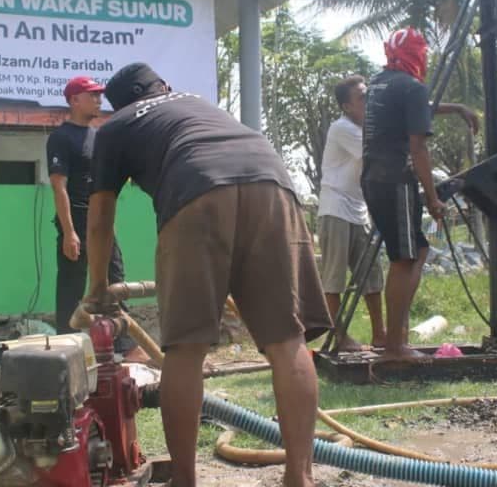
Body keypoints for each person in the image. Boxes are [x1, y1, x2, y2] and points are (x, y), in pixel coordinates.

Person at [82, 63, 332, 487]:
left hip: (196, 193)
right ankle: (299, 478)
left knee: (185, 347)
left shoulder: (115, 126)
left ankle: (184, 480)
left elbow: (100, 216)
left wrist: (97, 287)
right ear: (164, 87)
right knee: (286, 340)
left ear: (120, 103)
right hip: (272, 185)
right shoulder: (198, 104)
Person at [361, 27, 480, 360]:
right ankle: (395, 347)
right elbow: (418, 147)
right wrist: (432, 197)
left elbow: (413, 105)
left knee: (418, 251)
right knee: (406, 259)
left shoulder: (379, 83)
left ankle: (394, 338)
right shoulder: (411, 87)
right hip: (396, 179)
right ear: (418, 54)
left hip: (373, 178)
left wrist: (454, 107)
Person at [45, 76, 144, 360]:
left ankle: (125, 347)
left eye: (100, 96)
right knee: (72, 285)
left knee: (115, 280)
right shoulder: (61, 138)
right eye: (92, 95)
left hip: (100, 220)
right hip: (75, 220)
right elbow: (58, 186)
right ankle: (67, 348)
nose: (100, 100)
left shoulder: (98, 135)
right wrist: (69, 232)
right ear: (74, 100)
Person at [317, 75, 387, 351]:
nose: (369, 103)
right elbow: (376, 152)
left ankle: (380, 335)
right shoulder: (342, 128)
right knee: (334, 278)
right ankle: (338, 337)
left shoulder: (363, 128)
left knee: (371, 277)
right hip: (336, 209)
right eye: (362, 98)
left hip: (358, 210)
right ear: (347, 106)